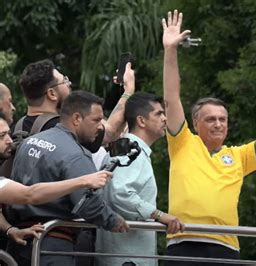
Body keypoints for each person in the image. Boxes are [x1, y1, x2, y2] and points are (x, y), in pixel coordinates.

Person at [162, 10, 256, 263]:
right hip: (184, 244)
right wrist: (170, 50)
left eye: (223, 119)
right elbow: (171, 98)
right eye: (211, 119)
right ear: (196, 123)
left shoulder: (238, 156)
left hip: (226, 246)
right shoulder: (182, 142)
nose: (218, 124)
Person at [7, 91, 129, 266]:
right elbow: (89, 204)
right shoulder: (77, 155)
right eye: (96, 120)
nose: (101, 127)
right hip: (52, 245)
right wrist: (113, 220)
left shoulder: (30, 142)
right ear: (77, 118)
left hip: (19, 241)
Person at [96, 92, 184, 266]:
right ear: (141, 121)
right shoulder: (132, 153)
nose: (165, 119)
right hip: (127, 258)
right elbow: (120, 193)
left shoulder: (125, 149)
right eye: (159, 114)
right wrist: (159, 215)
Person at [0, 113, 111, 248]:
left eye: (8, 134)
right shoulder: (75, 155)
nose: (10, 141)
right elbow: (29, 194)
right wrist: (83, 181)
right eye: (1, 136)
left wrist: (10, 231)